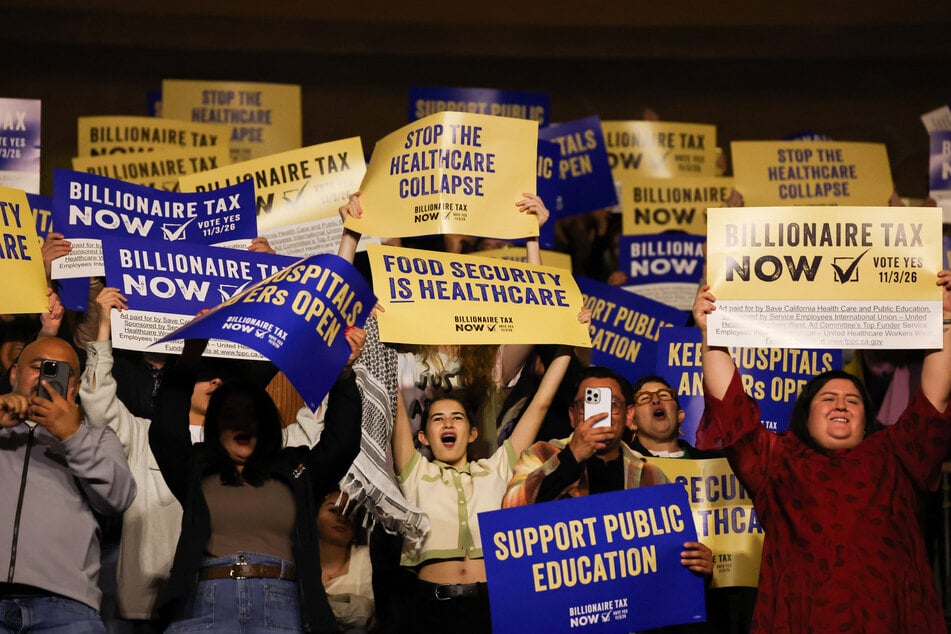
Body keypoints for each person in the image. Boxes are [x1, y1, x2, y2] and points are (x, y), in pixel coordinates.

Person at [691, 273, 951, 633]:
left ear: (868, 417)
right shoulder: (778, 460)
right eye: (828, 398)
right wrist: (711, 333)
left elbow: (933, 400)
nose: (841, 405)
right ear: (805, 414)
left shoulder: (897, 455)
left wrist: (947, 319)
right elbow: (729, 407)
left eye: (853, 400)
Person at [148, 329, 365, 634]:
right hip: (204, 605)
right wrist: (189, 358)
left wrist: (342, 375)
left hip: (282, 606)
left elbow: (342, 444)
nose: (241, 422)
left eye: (250, 414)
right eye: (230, 414)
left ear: (264, 423)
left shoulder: (296, 471)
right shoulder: (197, 468)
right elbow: (166, 433)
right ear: (216, 426)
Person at [393, 348, 574, 633]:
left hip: (492, 605)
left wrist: (568, 343)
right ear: (423, 436)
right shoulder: (415, 473)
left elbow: (540, 404)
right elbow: (394, 404)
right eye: (438, 419)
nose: (448, 423)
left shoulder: (497, 467)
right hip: (430, 607)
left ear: (472, 433)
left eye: (457, 418)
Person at [501, 366, 712, 575]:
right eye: (589, 403)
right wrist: (570, 458)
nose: (601, 413)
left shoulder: (651, 475)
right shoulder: (540, 454)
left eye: (612, 404)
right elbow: (511, 514)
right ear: (572, 416)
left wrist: (698, 566)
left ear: (629, 416)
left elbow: (672, 553)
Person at [0, 335, 136, 632]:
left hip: (65, 608)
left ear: (73, 387)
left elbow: (119, 498)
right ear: (14, 374)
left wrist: (72, 436)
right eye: (39, 367)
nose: (46, 379)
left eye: (60, 372)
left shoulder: (98, 437)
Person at [317, 490, 375, 633]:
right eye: (333, 510)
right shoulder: (298, 562)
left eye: (350, 512)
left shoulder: (368, 559)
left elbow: (368, 614)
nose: (342, 517)